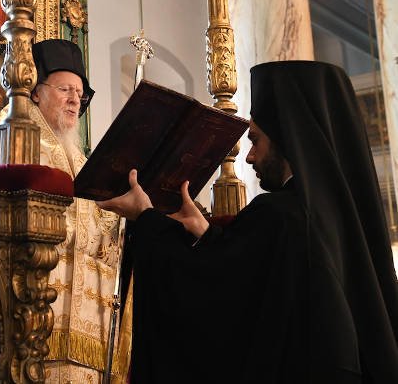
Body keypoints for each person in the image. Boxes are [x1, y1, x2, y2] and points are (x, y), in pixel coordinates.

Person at [99, 60, 398, 383]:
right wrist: (207, 234)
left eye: (255, 140)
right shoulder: (340, 220)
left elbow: (215, 305)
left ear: (286, 136)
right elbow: (258, 281)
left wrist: (146, 219)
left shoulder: (280, 215)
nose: (250, 156)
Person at [0, 39, 122, 382]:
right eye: (65, 89)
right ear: (36, 92)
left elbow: (104, 234)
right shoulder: (11, 140)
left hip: (88, 333)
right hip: (33, 323)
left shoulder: (83, 162)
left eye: (80, 93)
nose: (75, 100)